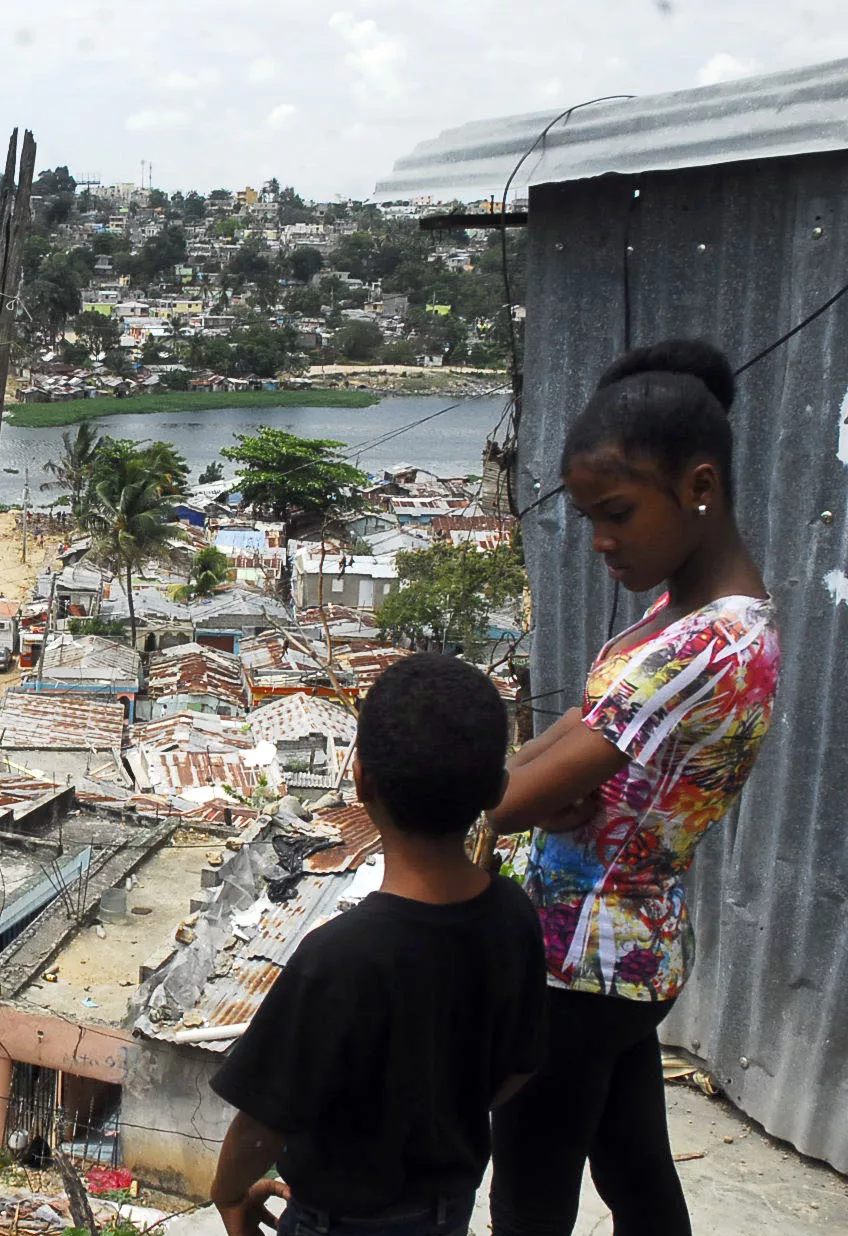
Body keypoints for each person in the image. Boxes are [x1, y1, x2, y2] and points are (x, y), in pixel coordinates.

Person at [485, 341, 780, 1236]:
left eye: (615, 513)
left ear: (699, 486)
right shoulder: (687, 610)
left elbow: (503, 801)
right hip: (621, 952)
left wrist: (485, 798)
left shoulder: (704, 649)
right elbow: (582, 727)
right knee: (637, 1171)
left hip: (585, 963)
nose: (602, 540)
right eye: (588, 518)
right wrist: (521, 785)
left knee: (529, 1195)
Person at [209, 654, 546, 1236]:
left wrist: (229, 1196)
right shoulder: (514, 916)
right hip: (448, 1211)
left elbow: (260, 1125)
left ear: (361, 778)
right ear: (496, 788)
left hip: (340, 1221)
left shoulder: (338, 957)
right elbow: (520, 1067)